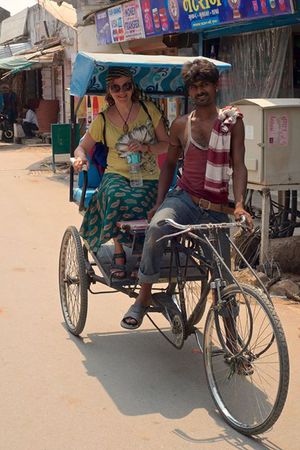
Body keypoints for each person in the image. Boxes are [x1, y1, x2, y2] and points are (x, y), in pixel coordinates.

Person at [121, 58, 253, 329]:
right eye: (193, 88)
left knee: (223, 276)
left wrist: (239, 205)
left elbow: (239, 165)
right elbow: (169, 164)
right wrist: (159, 203)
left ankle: (232, 340)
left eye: (204, 85)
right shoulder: (181, 125)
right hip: (184, 199)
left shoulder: (231, 122)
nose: (198, 92)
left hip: (217, 206)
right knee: (157, 227)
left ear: (216, 86)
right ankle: (142, 299)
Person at [73, 67, 169, 278]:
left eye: (126, 86)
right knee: (116, 195)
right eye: (116, 87)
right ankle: (118, 251)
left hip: (149, 174)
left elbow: (167, 144)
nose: (122, 91)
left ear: (132, 87)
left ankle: (143, 253)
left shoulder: (148, 110)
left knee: (144, 200)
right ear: (109, 90)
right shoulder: (103, 119)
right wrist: (80, 158)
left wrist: (145, 148)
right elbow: (82, 147)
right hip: (116, 174)